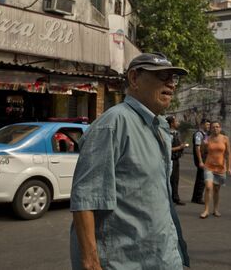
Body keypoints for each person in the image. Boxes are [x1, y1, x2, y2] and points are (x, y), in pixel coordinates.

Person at [69, 52, 190, 270]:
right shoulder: (113, 124)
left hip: (160, 256)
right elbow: (85, 198)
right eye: (163, 76)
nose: (171, 84)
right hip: (124, 261)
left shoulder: (160, 127)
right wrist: (91, 262)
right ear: (134, 78)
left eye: (174, 78)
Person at [199, 121, 231, 219]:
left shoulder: (225, 139)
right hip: (209, 166)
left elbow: (228, 154)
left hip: (221, 167)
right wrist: (203, 144)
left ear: (220, 128)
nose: (215, 128)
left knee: (217, 190)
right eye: (213, 127)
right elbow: (202, 151)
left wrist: (229, 167)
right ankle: (206, 210)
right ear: (211, 129)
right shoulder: (207, 138)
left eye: (217, 127)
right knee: (209, 187)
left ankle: (216, 209)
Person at [168, 115, 188, 205]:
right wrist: (180, 147)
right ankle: (169, 199)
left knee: (175, 179)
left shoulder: (176, 133)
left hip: (176, 159)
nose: (178, 123)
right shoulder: (168, 134)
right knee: (170, 180)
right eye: (176, 121)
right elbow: (168, 149)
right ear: (172, 123)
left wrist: (182, 146)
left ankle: (175, 198)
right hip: (170, 160)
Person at [191, 118, 210, 204]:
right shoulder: (199, 134)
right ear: (202, 124)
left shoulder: (205, 134)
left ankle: (196, 197)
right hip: (201, 159)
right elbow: (197, 148)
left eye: (209, 125)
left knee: (201, 178)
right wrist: (200, 161)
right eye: (207, 124)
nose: (208, 126)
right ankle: (197, 198)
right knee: (201, 179)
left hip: (205, 158)